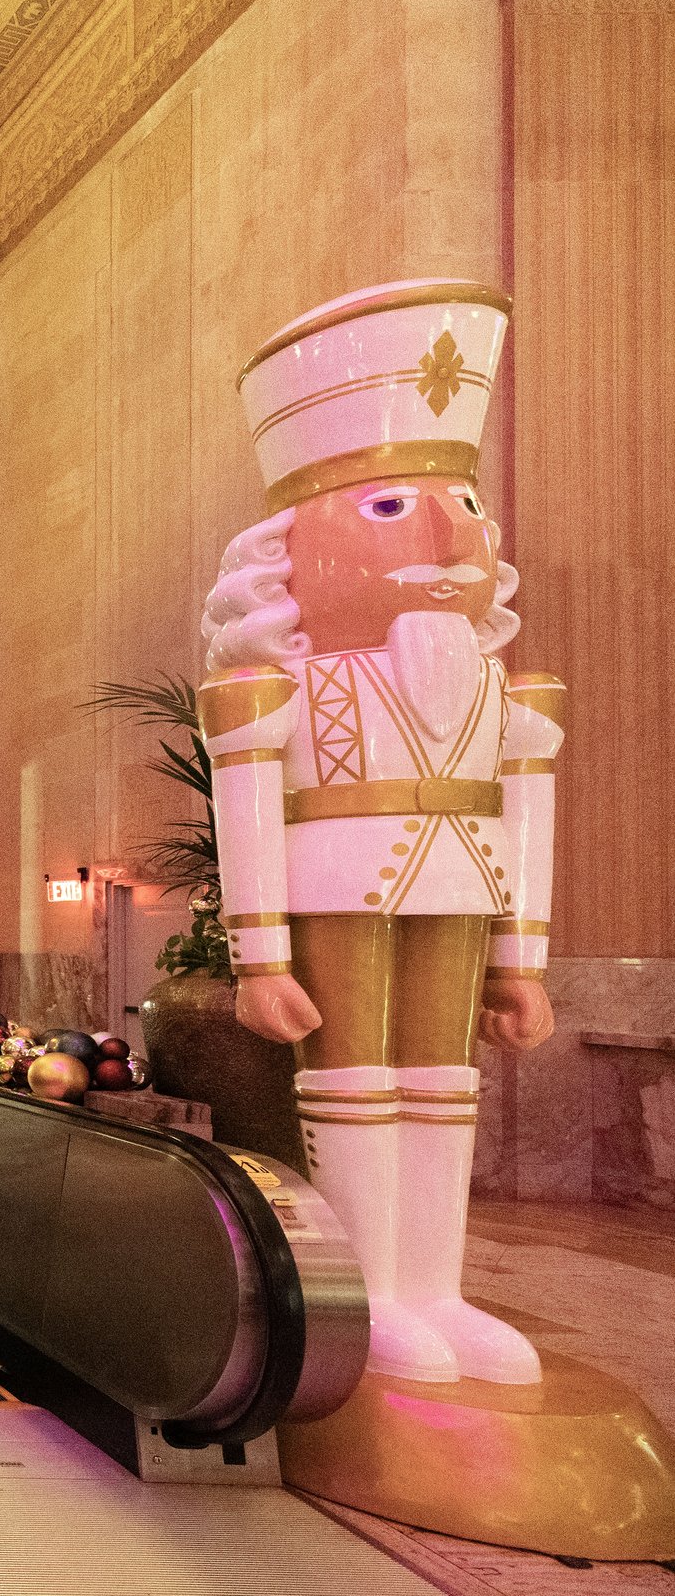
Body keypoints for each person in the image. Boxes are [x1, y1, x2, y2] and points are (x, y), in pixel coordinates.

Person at [197, 279, 555, 1386]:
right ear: (287, 552)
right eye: (394, 509)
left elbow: (528, 818)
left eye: (463, 508)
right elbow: (248, 814)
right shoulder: (271, 694)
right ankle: (369, 1292)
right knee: (353, 1081)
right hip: (339, 889)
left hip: (462, 890)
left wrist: (522, 962)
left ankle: (434, 1287)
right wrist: (259, 958)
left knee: (443, 1085)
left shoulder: (511, 698)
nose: (451, 532)